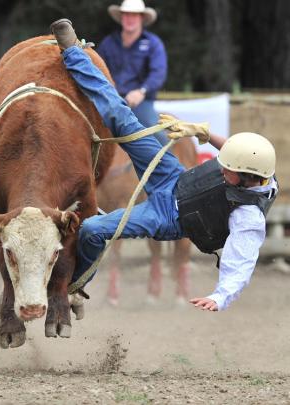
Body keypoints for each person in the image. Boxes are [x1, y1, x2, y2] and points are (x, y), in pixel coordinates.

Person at [50, 19, 278, 312]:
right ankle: (73, 54)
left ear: (246, 179)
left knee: (93, 229)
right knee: (122, 118)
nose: (221, 168)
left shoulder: (248, 218)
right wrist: (204, 134)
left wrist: (220, 295)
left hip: (167, 217)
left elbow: (241, 262)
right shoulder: (255, 166)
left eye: (227, 168)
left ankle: (75, 284)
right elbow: (236, 151)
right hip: (173, 176)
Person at [97, 0, 168, 145]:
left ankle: (168, 166)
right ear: (121, 17)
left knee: (157, 133)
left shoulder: (153, 43)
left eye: (134, 15)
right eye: (126, 15)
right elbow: (98, 70)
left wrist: (141, 91)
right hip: (110, 100)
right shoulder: (108, 43)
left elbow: (158, 73)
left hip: (141, 102)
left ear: (142, 18)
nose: (130, 19)